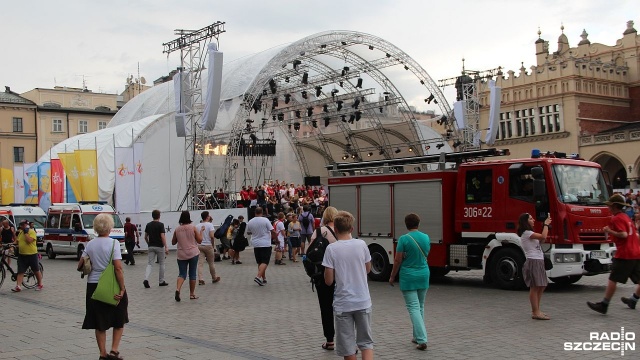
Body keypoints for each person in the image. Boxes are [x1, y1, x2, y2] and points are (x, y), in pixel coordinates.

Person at [322, 211, 373, 360]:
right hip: (363, 300)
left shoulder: (331, 249)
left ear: (335, 229)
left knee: (348, 346)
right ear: (352, 229)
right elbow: (368, 269)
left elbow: (329, 281)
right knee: (366, 343)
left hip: (343, 303)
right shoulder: (361, 244)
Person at [77, 213, 127, 360]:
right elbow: (118, 268)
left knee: (100, 321)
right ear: (110, 227)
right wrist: (122, 288)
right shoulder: (114, 244)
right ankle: (114, 350)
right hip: (111, 285)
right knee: (119, 317)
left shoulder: (90, 244)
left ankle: (102, 353)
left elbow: (80, 264)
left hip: (93, 285)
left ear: (96, 228)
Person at [587, 194, 640, 314]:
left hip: (625, 254)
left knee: (613, 279)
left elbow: (624, 234)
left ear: (615, 206)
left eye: (610, 206)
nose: (608, 208)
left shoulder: (616, 218)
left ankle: (604, 304)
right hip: (636, 252)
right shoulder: (626, 217)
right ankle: (633, 299)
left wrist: (609, 230)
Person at [388, 213, 431, 350]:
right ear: (418, 223)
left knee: (413, 307)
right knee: (420, 306)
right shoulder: (426, 237)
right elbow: (426, 253)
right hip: (424, 274)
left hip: (408, 276)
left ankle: (422, 339)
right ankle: (416, 336)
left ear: (406, 224)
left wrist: (392, 276)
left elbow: (397, 260)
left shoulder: (403, 239)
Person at [309, 206, 338, 351]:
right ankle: (348, 340)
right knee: (344, 309)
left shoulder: (319, 232)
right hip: (342, 276)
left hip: (323, 275)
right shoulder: (342, 232)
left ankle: (330, 340)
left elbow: (310, 254)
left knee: (326, 308)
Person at [517, 213, 552, 320]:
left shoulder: (530, 233)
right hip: (533, 261)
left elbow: (542, 239)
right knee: (535, 286)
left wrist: (545, 228)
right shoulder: (527, 233)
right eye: (531, 219)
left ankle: (537, 309)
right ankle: (535, 311)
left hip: (539, 260)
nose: (533, 220)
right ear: (525, 222)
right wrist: (545, 225)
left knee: (541, 285)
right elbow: (543, 236)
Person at [171, 211, 203, 301]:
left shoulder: (177, 229)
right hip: (193, 253)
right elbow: (200, 240)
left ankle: (178, 289)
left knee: (182, 273)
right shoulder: (193, 228)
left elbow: (173, 242)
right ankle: (192, 294)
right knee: (192, 274)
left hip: (181, 254)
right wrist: (201, 232)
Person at [10, 220, 43, 292]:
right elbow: (17, 241)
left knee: (36, 270)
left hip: (32, 254)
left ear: (26, 225)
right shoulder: (21, 232)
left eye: (22, 225)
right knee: (20, 271)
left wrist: (26, 233)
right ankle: (18, 286)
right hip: (22, 254)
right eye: (21, 225)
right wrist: (11, 245)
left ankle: (40, 284)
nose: (21, 226)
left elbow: (29, 241)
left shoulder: (32, 232)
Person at [246, 207, 273, 286]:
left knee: (260, 262)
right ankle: (258, 276)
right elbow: (271, 230)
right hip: (265, 243)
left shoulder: (250, 221)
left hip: (255, 243)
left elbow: (248, 232)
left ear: (255, 212)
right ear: (262, 212)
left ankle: (263, 278)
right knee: (265, 262)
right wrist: (277, 239)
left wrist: (255, 232)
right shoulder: (265, 220)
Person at [143, 210, 169, 288]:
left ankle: (146, 279)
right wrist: (166, 246)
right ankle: (161, 281)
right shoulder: (161, 225)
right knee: (161, 263)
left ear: (152, 216)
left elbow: (145, 237)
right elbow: (162, 236)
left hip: (151, 246)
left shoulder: (148, 225)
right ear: (159, 216)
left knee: (150, 264)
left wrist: (148, 243)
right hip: (159, 246)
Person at [197, 211, 220, 285]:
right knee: (211, 263)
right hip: (208, 245)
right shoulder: (210, 225)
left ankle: (200, 279)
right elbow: (212, 236)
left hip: (200, 245)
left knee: (200, 263)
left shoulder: (197, 226)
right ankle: (214, 277)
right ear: (207, 217)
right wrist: (213, 246)